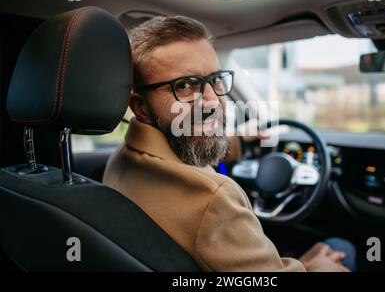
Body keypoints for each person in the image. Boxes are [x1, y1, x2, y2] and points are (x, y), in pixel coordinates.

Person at [103, 15, 355, 272]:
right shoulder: (214, 200)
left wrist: (240, 144)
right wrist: (320, 267)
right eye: (186, 86)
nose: (213, 101)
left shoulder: (123, 158)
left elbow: (186, 153)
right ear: (141, 107)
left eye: (215, 79)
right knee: (340, 249)